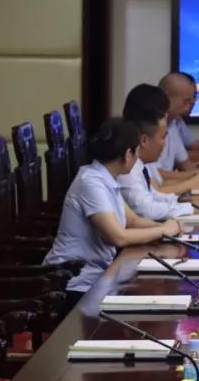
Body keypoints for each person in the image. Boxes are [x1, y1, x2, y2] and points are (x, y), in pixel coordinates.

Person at [42, 118, 184, 310]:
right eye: (136, 152)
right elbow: (118, 236)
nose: (137, 158)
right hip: (72, 283)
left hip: (97, 276)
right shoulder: (91, 181)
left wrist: (168, 229)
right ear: (127, 154)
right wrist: (163, 231)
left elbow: (133, 220)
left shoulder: (107, 177)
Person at [119, 84, 199, 218]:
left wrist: (181, 201)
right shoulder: (126, 165)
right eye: (163, 137)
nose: (165, 143)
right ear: (144, 140)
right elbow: (145, 210)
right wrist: (188, 208)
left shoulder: (139, 162)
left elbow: (153, 195)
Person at [156, 73, 199, 182]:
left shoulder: (173, 125)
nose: (191, 104)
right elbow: (154, 177)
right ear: (166, 97)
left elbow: (187, 167)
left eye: (193, 99)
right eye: (186, 100)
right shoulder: (149, 127)